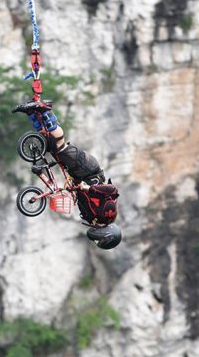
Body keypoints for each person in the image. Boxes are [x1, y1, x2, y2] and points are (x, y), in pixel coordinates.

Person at [13, 100, 122, 249]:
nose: (97, 240)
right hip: (88, 170)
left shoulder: (92, 219)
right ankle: (45, 110)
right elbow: (112, 190)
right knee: (60, 147)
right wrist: (87, 188)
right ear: (107, 234)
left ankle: (32, 113)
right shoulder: (107, 215)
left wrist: (72, 190)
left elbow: (83, 198)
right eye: (101, 240)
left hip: (78, 175)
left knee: (49, 145)